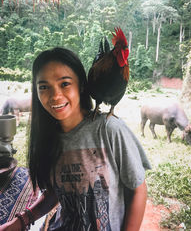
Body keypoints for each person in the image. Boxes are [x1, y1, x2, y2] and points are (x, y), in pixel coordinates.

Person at [0, 47, 151, 231]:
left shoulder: (109, 130)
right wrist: (22, 220)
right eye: (44, 87)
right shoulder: (49, 138)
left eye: (64, 84)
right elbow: (58, 192)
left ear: (80, 85)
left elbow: (138, 190)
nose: (55, 95)